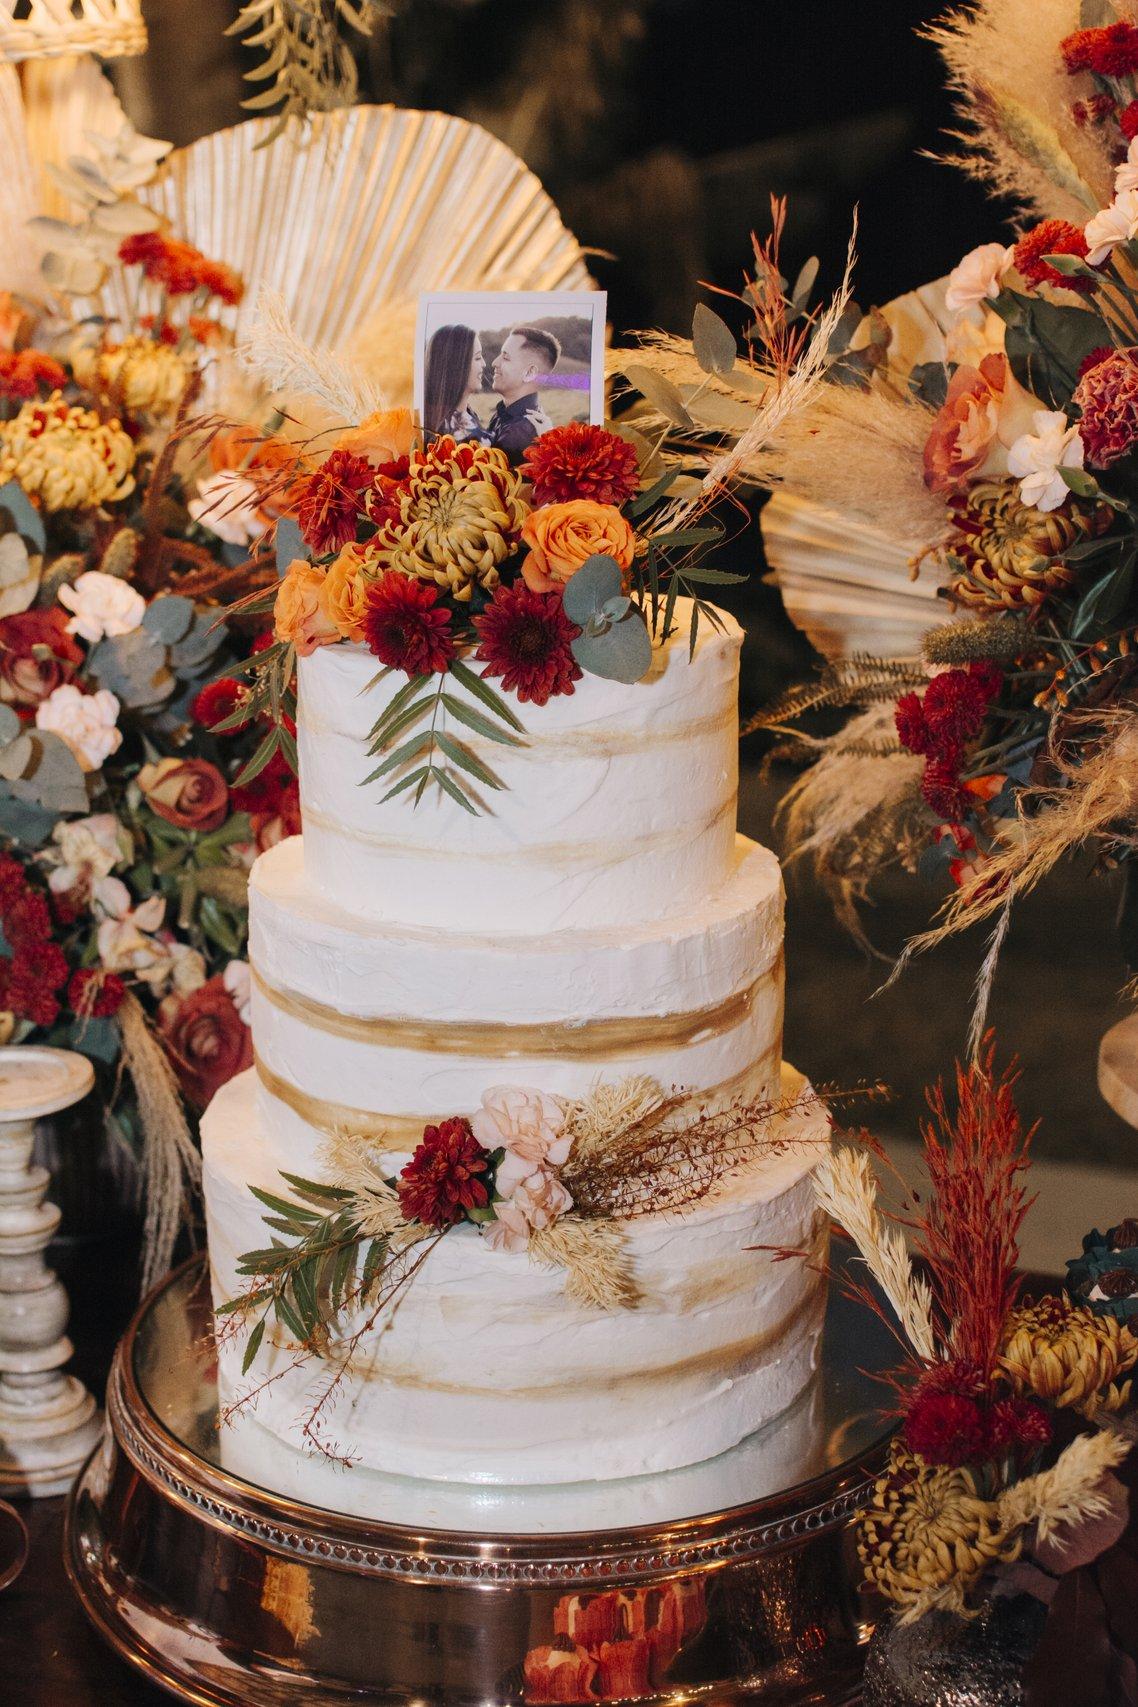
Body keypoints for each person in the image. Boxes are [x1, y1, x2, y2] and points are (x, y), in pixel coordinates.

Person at [487, 325, 558, 460]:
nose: (495, 362)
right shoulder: (504, 413)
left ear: (530, 373)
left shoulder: (517, 434)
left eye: (506, 358)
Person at [423, 323, 488, 442]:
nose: (484, 364)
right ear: (457, 365)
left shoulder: (466, 414)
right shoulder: (453, 435)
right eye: (478, 358)